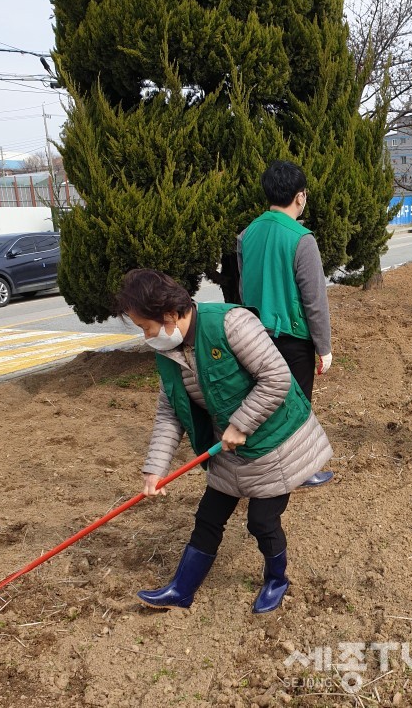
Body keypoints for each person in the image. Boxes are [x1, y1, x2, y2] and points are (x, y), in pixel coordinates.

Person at [115, 269, 333, 614]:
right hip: (228, 448)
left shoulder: (231, 324)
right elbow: (170, 412)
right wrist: (154, 470)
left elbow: (276, 377)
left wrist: (242, 424)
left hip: (276, 442)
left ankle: (277, 579)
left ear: (170, 315)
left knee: (262, 521)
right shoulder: (169, 353)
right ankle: (181, 590)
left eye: (146, 327)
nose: (145, 337)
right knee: (208, 517)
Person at [238, 160, 334, 488]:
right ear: (300, 196)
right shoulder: (301, 238)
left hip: (252, 334)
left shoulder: (247, 234)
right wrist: (324, 347)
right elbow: (314, 301)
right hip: (291, 336)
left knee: (264, 402)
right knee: (296, 406)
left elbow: (243, 286)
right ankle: (301, 471)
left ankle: (264, 466)